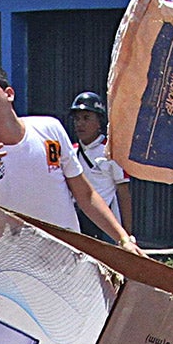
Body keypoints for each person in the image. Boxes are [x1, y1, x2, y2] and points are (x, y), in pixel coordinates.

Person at [0, 66, 138, 250]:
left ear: (9, 94)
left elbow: (85, 194)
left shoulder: (50, 129)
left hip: (63, 257)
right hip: (13, 263)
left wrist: (123, 239)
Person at [65, 90, 133, 246]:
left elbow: (123, 192)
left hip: (105, 226)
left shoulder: (112, 152)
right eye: (76, 119)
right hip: (78, 222)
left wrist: (127, 233)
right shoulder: (71, 152)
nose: (80, 123)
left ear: (99, 121)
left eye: (86, 118)